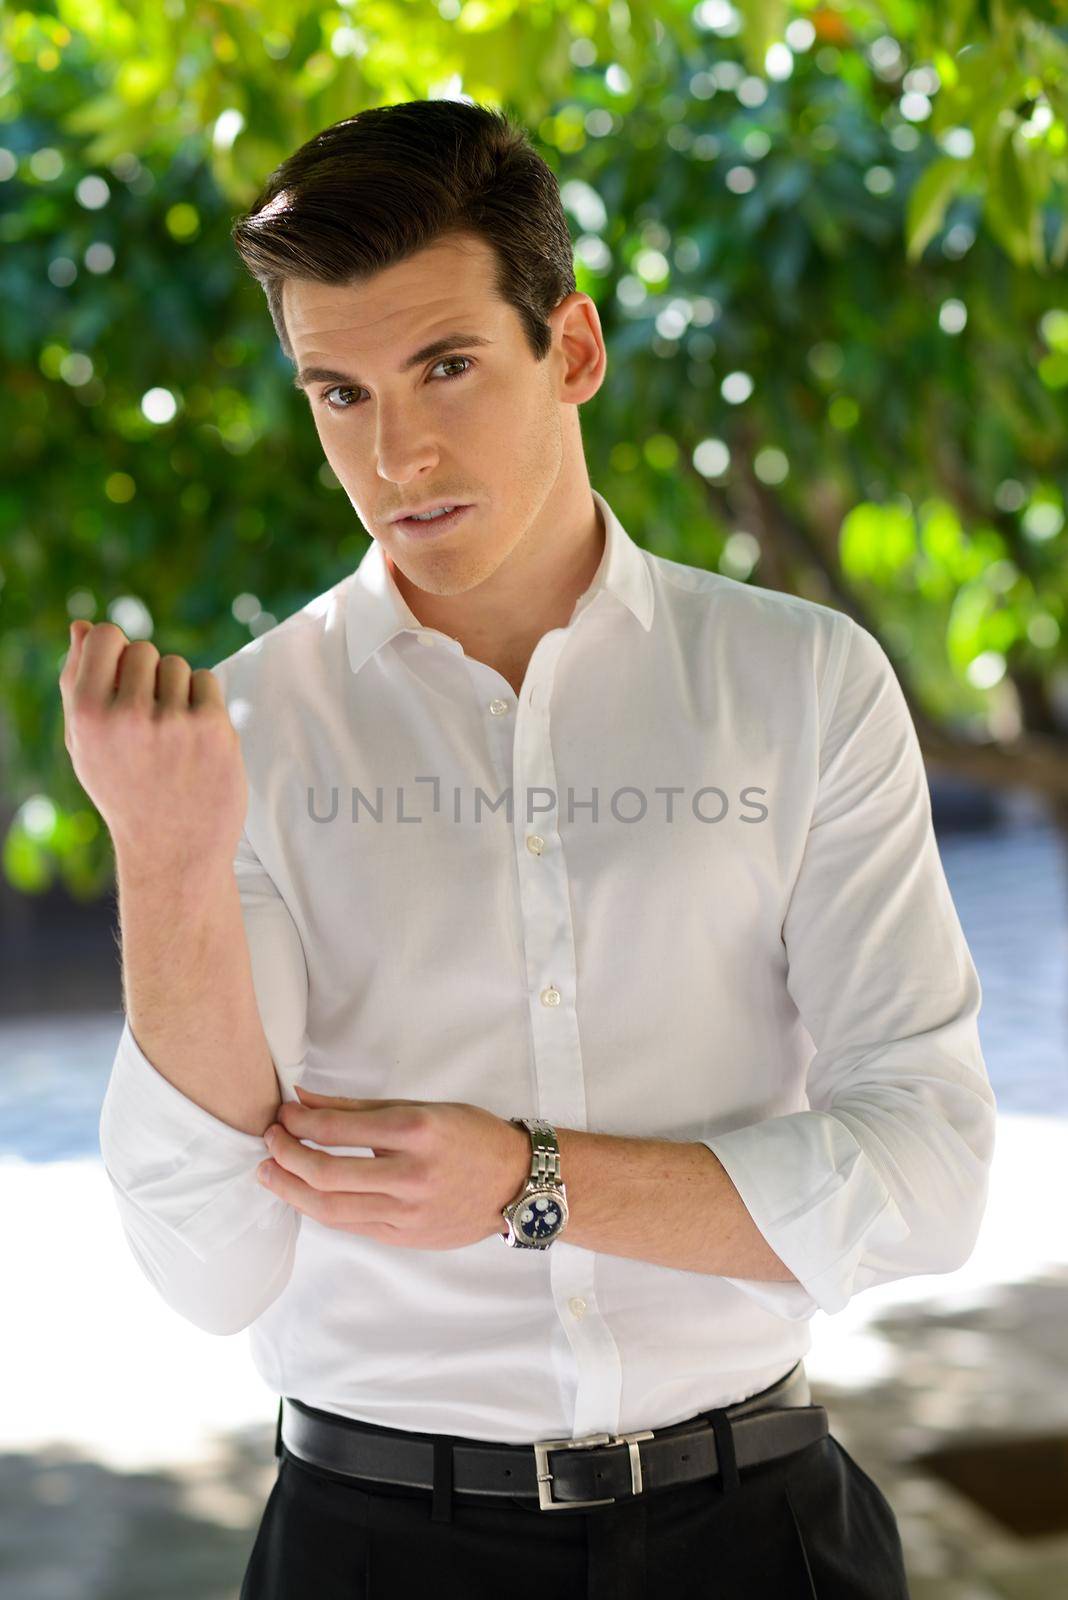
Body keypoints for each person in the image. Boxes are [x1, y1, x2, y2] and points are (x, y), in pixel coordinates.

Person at [64, 100, 997, 1599]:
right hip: (374, 1550)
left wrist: (530, 1180)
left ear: (571, 349)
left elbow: (932, 1172)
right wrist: (169, 863)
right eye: (339, 394)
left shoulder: (800, 682)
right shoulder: (251, 736)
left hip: (765, 1538)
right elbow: (210, 1267)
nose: (398, 451)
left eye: (446, 367)